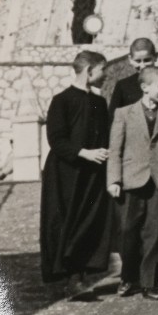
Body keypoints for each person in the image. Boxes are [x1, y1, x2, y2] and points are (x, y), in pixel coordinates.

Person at [39, 50, 113, 299]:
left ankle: (80, 275)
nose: (105, 76)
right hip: (65, 175)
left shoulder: (100, 102)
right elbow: (56, 139)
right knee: (66, 223)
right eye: (102, 70)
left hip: (93, 174)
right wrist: (84, 153)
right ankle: (70, 278)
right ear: (90, 71)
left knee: (88, 222)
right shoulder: (62, 100)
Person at [107, 66, 158, 300]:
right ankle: (128, 277)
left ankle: (149, 282)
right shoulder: (123, 113)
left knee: (154, 233)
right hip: (130, 181)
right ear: (145, 87)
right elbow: (115, 150)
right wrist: (114, 179)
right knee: (128, 232)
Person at [108, 37, 158, 113]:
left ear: (156, 57)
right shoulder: (123, 86)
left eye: (147, 60)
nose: (142, 66)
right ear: (130, 59)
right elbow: (113, 116)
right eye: (138, 61)